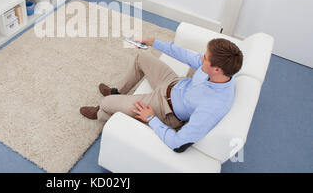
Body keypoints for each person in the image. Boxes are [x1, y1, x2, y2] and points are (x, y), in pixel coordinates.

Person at [79, 37, 243, 153]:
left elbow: (178, 144)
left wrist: (151, 119)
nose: (201, 58)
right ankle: (117, 91)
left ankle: (102, 113)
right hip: (173, 83)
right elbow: (185, 55)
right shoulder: (222, 70)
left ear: (216, 70)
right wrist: (153, 42)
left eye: (205, 57)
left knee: (106, 103)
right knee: (142, 56)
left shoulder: (214, 106)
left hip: (164, 108)